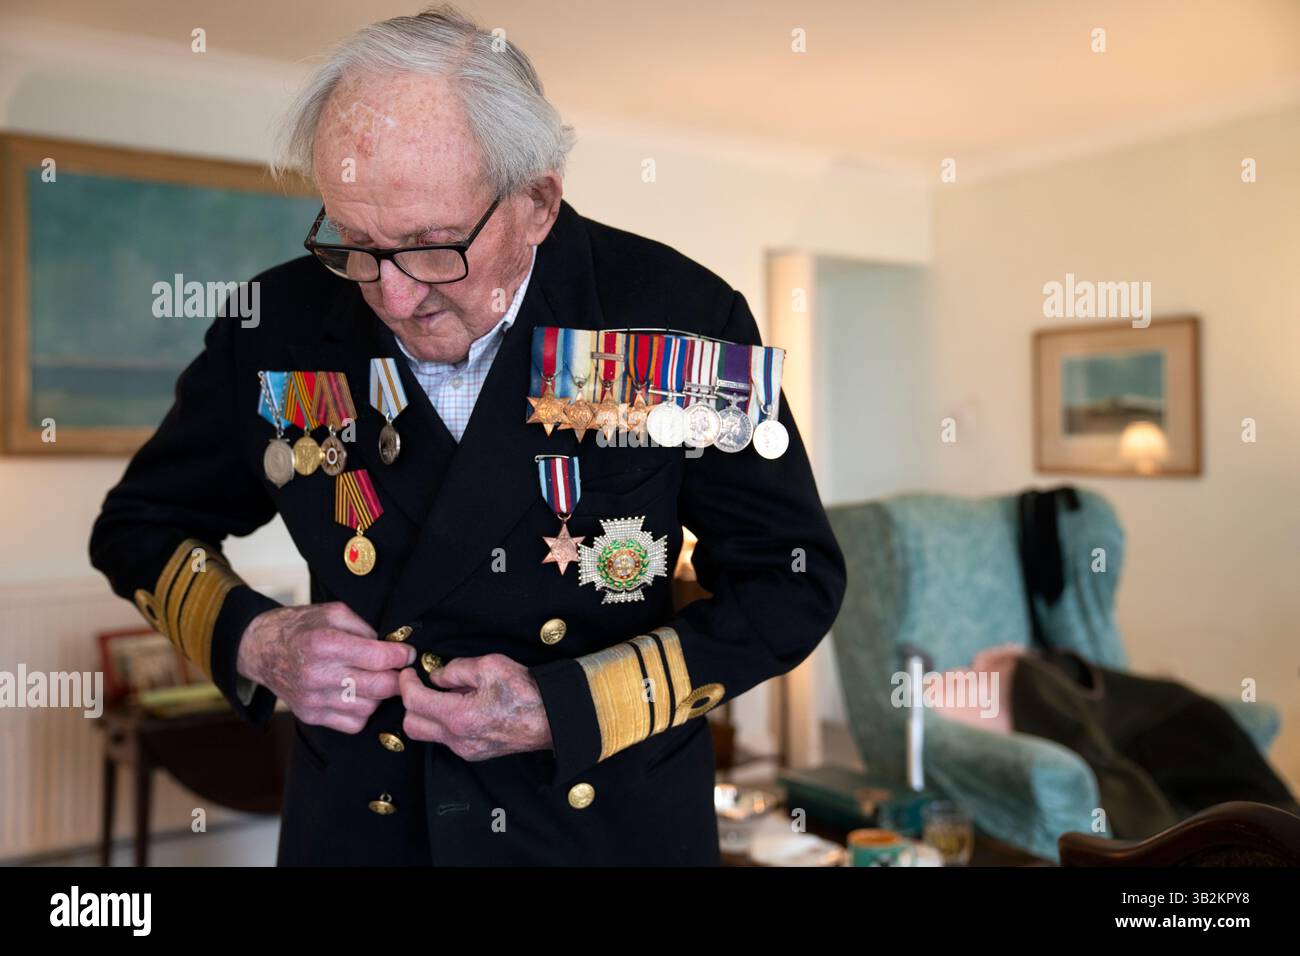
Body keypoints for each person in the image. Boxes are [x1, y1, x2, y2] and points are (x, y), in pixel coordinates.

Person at [90, 5, 845, 865]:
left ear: (536, 201)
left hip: (598, 829)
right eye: (358, 243)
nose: (393, 295)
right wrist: (259, 642)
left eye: (431, 246)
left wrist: (568, 705)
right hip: (362, 828)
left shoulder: (680, 320)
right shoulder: (278, 326)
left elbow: (792, 581)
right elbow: (140, 528)